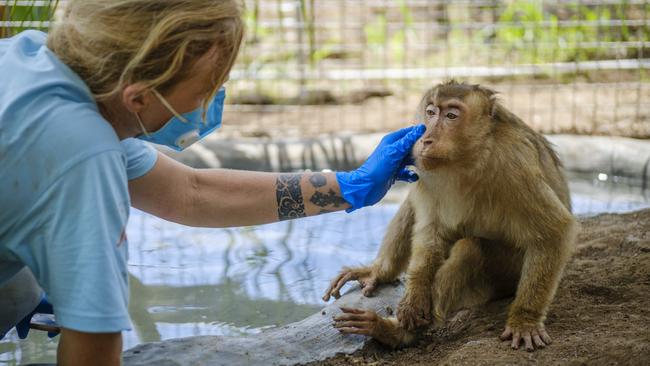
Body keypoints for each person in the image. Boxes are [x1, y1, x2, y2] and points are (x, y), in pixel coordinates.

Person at [0, 1, 425, 365]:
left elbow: (190, 193)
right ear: (140, 96)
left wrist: (348, 186)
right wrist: (86, 305)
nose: (214, 97)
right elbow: (92, 344)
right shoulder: (83, 156)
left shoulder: (36, 59)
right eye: (208, 85)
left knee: (19, 283)